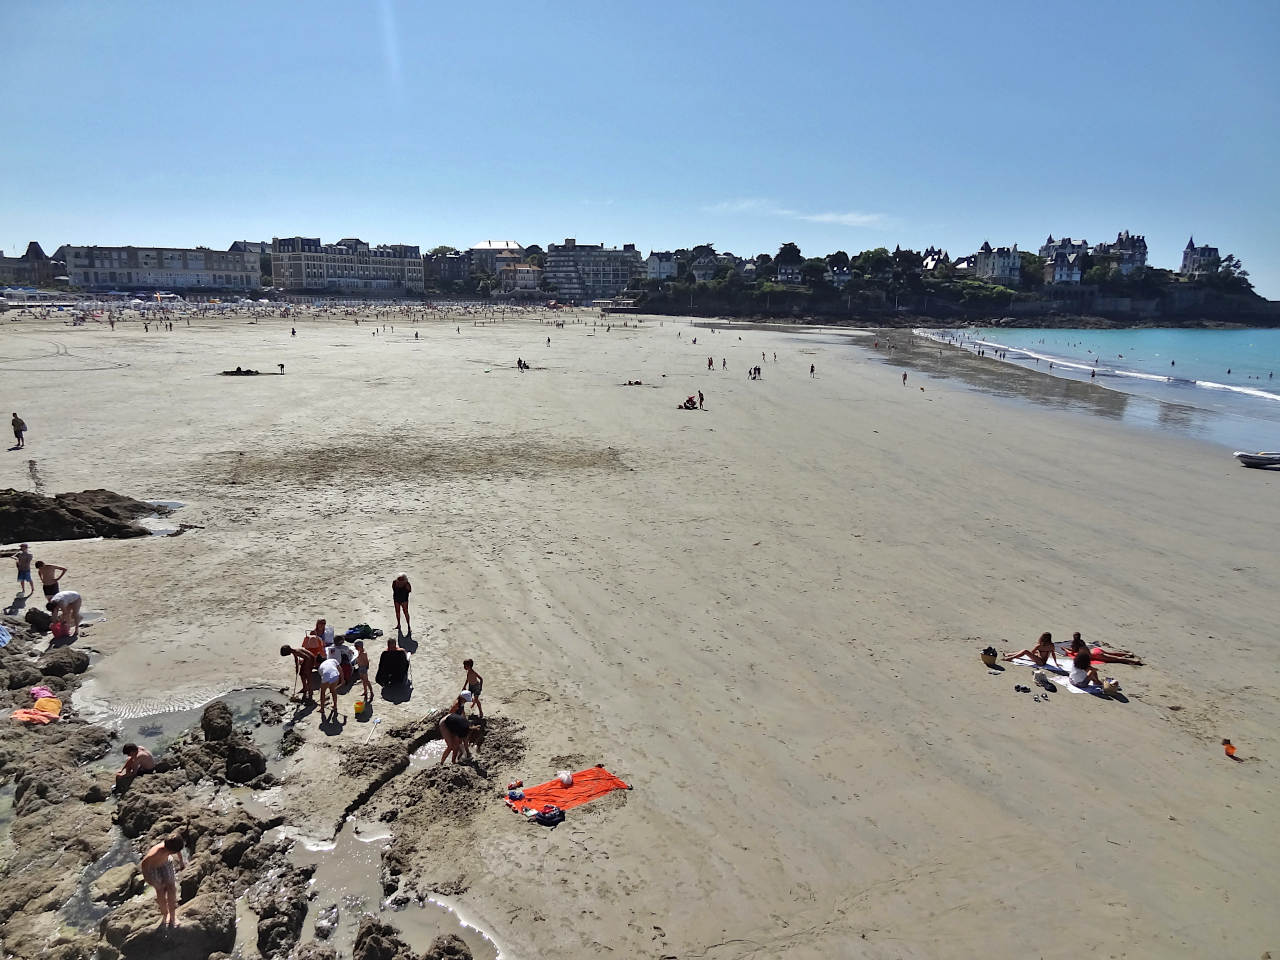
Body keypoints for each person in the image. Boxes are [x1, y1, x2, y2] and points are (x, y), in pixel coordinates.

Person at [140, 835, 186, 928]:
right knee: (160, 891)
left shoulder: (173, 844)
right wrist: (147, 878)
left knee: (171, 888)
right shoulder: (155, 853)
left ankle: (173, 916)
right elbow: (144, 864)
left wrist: (181, 861)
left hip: (165, 862)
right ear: (170, 850)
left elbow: (178, 850)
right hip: (152, 868)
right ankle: (165, 915)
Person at [1068, 632, 1142, 666]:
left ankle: (1134, 662)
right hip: (1095, 650)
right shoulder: (1082, 642)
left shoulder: (1074, 645)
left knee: (1117, 659)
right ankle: (1128, 654)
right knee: (1112, 653)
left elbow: (1072, 652)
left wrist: (1066, 650)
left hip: (1096, 655)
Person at [439, 694, 473, 765]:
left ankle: (455, 759)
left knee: (457, 744)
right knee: (451, 746)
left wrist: (467, 751)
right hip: (445, 723)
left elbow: (465, 742)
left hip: (455, 722)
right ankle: (442, 763)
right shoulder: (456, 705)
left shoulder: (466, 727)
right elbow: (450, 715)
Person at [317, 653, 342, 720]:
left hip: (327, 676)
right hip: (336, 675)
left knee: (322, 692)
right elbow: (340, 670)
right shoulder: (332, 660)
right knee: (333, 690)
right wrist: (342, 680)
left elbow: (324, 678)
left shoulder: (320, 668)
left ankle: (322, 709)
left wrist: (326, 686)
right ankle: (335, 706)